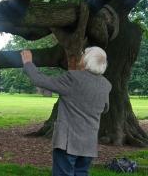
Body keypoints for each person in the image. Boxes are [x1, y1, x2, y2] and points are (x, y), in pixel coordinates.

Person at [20, 47, 112, 176]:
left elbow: (40, 80)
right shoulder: (106, 85)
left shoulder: (73, 78)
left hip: (68, 143)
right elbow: (105, 108)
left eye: (83, 54)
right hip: (88, 144)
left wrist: (28, 63)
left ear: (87, 60)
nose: (81, 56)